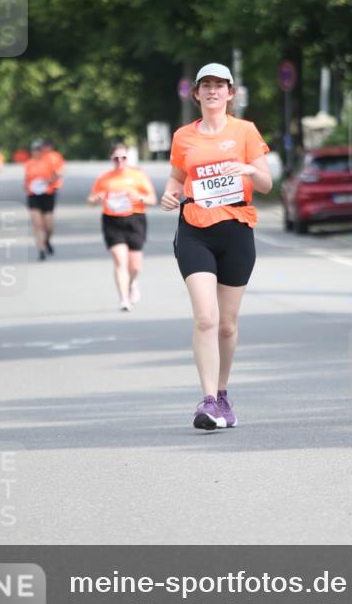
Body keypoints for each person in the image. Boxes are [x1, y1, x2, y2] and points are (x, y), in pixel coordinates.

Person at [161, 63, 272, 430]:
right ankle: (207, 400)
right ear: (196, 94)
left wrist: (248, 171)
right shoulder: (183, 137)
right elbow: (178, 176)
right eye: (205, 86)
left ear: (230, 93)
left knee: (226, 325)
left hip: (237, 229)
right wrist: (169, 193)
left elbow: (268, 183)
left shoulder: (245, 131)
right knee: (205, 317)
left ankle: (223, 395)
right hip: (194, 230)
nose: (212, 91)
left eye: (219, 86)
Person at [87, 143, 156, 311]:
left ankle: (132, 283)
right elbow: (90, 200)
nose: (120, 161)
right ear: (111, 159)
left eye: (123, 158)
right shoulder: (104, 178)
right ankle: (124, 298)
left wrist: (137, 197)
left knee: (135, 266)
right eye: (116, 158)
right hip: (112, 220)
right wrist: (97, 199)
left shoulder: (138, 176)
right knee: (119, 260)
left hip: (135, 220)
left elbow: (152, 200)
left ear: (128, 158)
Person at [24, 139, 61, 261]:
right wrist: (27, 186)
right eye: (34, 150)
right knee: (37, 224)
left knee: (48, 225)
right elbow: (26, 180)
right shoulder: (28, 164)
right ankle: (41, 249)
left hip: (47, 194)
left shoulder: (49, 162)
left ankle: (47, 241)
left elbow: (57, 175)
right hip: (33, 195)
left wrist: (48, 181)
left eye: (39, 149)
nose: (37, 152)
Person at [42, 138, 65, 252]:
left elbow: (60, 172)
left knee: (48, 218)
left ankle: (47, 239)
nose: (46, 149)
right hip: (36, 192)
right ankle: (41, 241)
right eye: (44, 146)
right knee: (39, 219)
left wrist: (51, 179)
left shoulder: (56, 157)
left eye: (48, 146)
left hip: (52, 189)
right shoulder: (38, 157)